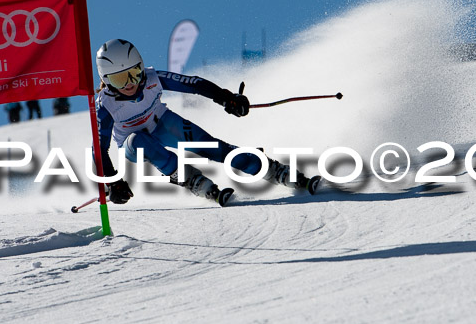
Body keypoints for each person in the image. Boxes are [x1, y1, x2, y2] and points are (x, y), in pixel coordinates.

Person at [94, 39, 320, 207]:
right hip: (133, 145)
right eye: (119, 79)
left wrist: (227, 98)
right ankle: (191, 180)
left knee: (214, 148)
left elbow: (194, 84)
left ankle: (276, 171)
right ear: (106, 80)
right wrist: (112, 182)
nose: (130, 84)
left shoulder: (153, 78)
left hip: (162, 123)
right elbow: (100, 149)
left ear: (141, 67)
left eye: (134, 73)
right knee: (139, 140)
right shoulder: (106, 105)